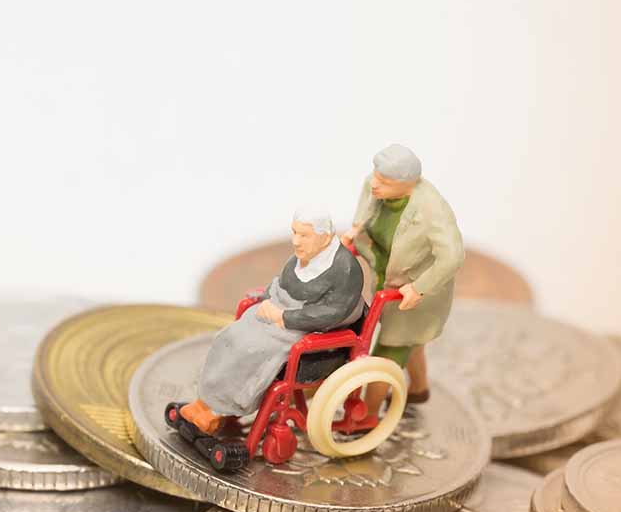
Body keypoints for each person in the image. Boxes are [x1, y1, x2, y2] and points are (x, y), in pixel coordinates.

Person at [177, 207, 365, 436]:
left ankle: (219, 410)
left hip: (309, 329)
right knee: (229, 337)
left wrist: (283, 317)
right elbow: (281, 283)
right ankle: (205, 402)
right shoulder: (302, 256)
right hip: (277, 311)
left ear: (325, 237)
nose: (296, 241)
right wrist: (267, 299)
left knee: (251, 349)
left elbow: (333, 312)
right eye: (294, 233)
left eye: (304, 235)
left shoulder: (345, 270)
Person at [341, 144, 463, 426]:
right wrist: (356, 231)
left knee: (387, 354)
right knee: (413, 343)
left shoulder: (432, 210)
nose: (375, 183)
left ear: (408, 183)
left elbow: (453, 256)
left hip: (414, 294)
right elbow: (366, 204)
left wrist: (418, 288)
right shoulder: (375, 185)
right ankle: (419, 389)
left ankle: (368, 417)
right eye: (376, 175)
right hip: (384, 277)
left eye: (384, 181)